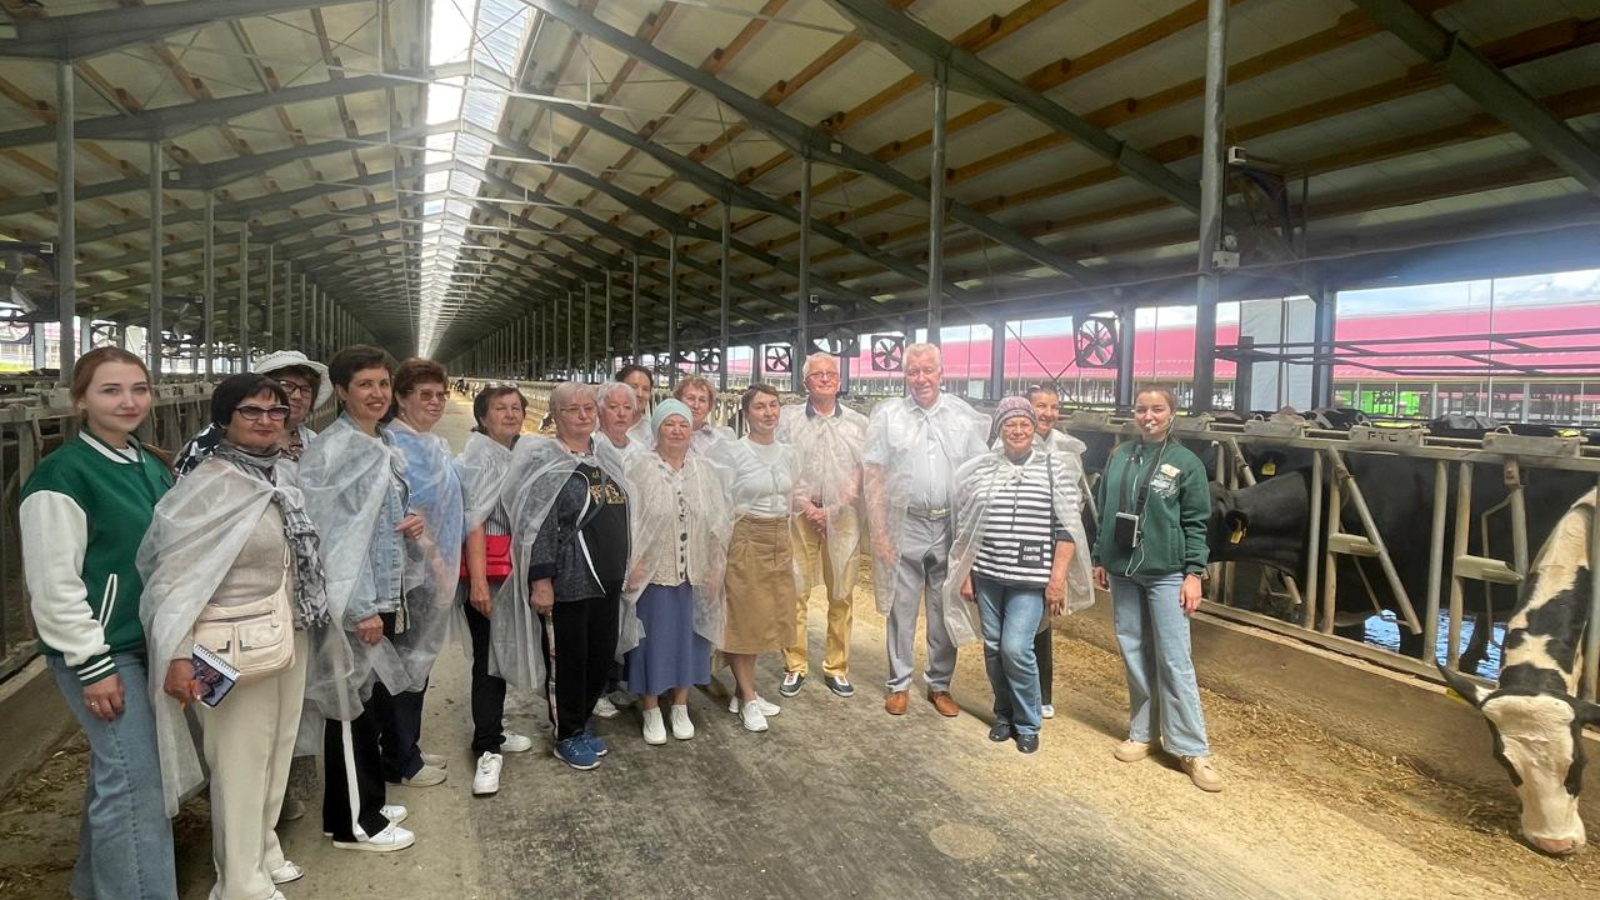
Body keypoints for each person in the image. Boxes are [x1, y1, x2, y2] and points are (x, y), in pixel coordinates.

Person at [138, 374, 352, 899]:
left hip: (288, 630)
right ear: (224, 420)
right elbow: (173, 577)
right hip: (228, 642)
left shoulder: (282, 474)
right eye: (250, 411)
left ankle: (262, 849)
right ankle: (238, 882)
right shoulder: (208, 485)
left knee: (278, 748)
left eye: (275, 411)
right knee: (239, 759)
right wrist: (179, 654)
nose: (265, 420)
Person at [20, 347, 177, 900]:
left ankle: (91, 889)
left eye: (139, 388)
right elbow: (53, 584)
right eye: (110, 390)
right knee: (139, 787)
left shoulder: (147, 463)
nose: (128, 401)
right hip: (105, 652)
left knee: (121, 777)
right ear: (80, 400)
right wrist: (92, 664)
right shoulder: (63, 476)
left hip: (147, 642)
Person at [300, 346, 444, 852]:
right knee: (349, 710)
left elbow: (379, 521)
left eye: (383, 383)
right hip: (353, 599)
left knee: (365, 702)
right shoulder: (337, 450)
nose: (377, 393)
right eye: (365, 384)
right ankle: (355, 825)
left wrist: (410, 523)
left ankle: (361, 803)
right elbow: (332, 538)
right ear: (341, 392)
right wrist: (361, 608)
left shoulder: (378, 442)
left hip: (382, 589)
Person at [946, 396, 1093, 754]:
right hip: (988, 574)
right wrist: (965, 572)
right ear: (999, 429)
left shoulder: (1054, 468)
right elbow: (967, 526)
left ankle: (1028, 722)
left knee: (1016, 647)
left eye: (1024, 424)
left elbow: (1067, 529)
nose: (1017, 430)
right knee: (994, 648)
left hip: (1031, 578)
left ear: (1034, 428)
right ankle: (1004, 715)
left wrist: (1057, 579)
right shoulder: (983, 469)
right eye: (1009, 424)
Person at [1092, 385, 1221, 792]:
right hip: (1122, 569)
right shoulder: (1120, 456)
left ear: (1171, 413)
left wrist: (1194, 573)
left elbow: (1197, 522)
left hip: (1166, 571)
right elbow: (1105, 509)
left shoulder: (1186, 463)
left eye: (1157, 409)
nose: (1148, 416)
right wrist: (1100, 556)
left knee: (1174, 657)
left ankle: (1192, 748)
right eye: (1142, 409)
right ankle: (1143, 732)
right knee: (1133, 648)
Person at [864, 342, 987, 717]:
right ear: (905, 376)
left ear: (941, 373)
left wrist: (970, 540)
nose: (921, 378)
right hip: (907, 521)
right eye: (913, 372)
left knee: (943, 606)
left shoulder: (961, 416)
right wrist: (880, 533)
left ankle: (940, 684)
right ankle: (898, 683)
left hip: (949, 523)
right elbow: (874, 475)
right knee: (901, 606)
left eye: (928, 370)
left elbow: (979, 475)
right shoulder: (890, 416)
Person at [526, 382, 632, 770]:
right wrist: (541, 580)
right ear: (556, 415)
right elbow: (538, 523)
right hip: (570, 578)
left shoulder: (604, 456)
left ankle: (583, 720)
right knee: (568, 660)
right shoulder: (547, 461)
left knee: (600, 655)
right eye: (573, 409)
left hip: (608, 576)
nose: (584, 415)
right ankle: (567, 733)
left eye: (589, 407)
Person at [623, 400, 733, 745]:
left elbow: (718, 522)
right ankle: (651, 706)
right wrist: (633, 563)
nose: (677, 430)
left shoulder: (704, 470)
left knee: (690, 638)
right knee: (652, 640)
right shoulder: (640, 468)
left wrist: (715, 566)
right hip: (654, 572)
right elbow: (629, 521)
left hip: (695, 570)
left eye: (683, 424)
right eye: (669, 424)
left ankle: (681, 704)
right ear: (657, 430)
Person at [378, 358, 465, 790]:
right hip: (409, 577)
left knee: (419, 662)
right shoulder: (396, 446)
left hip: (430, 575)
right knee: (404, 664)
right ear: (401, 398)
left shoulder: (429, 444)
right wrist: (438, 562)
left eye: (440, 395)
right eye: (424, 395)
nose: (435, 402)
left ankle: (407, 745)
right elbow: (410, 513)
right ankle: (399, 759)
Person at [454, 385, 535, 796]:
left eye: (515, 407)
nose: (510, 414)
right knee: (488, 659)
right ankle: (486, 747)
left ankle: (495, 729)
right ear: (483, 417)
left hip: (514, 570)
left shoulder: (519, 453)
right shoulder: (479, 458)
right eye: (500, 408)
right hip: (490, 571)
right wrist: (479, 582)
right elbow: (474, 522)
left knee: (502, 655)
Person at [777, 352, 867, 699]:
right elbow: (782, 463)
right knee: (795, 589)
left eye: (831, 373)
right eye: (818, 374)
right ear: (806, 382)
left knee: (841, 591)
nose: (825, 378)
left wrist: (836, 505)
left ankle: (836, 666)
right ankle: (795, 664)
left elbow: (862, 468)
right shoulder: (789, 421)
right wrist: (806, 505)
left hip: (843, 514)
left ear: (839, 381)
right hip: (799, 512)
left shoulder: (857, 423)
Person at [710, 385, 799, 732]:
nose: (768, 413)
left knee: (765, 619)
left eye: (773, 405)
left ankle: (742, 690)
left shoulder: (788, 453)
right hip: (746, 535)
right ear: (746, 413)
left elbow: (792, 495)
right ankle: (748, 696)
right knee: (744, 619)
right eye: (760, 407)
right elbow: (719, 499)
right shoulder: (734, 452)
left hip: (779, 536)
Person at [1023, 384, 1094, 720]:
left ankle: (1041, 692)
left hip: (1049, 544)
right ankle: (1015, 690)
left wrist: (1059, 571)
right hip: (1013, 542)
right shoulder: (1009, 441)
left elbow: (1070, 512)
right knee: (1014, 616)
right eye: (1041, 405)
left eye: (1054, 407)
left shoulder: (1065, 451)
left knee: (1041, 616)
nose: (1048, 413)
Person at [174, 350, 330, 475]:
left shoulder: (314, 442)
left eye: (305, 389)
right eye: (287, 386)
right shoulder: (210, 440)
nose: (297, 396)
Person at [673, 374, 733, 455]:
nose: (696, 406)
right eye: (690, 398)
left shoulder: (719, 440)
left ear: (709, 406)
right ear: (678, 401)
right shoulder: (664, 437)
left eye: (702, 400)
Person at [596, 380, 642, 456]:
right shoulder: (592, 447)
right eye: (613, 407)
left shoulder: (639, 449)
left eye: (627, 407)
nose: (622, 414)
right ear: (599, 411)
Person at [617, 363, 655, 447]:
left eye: (645, 389)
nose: (640, 394)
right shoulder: (598, 426)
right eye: (633, 387)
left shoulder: (653, 432)